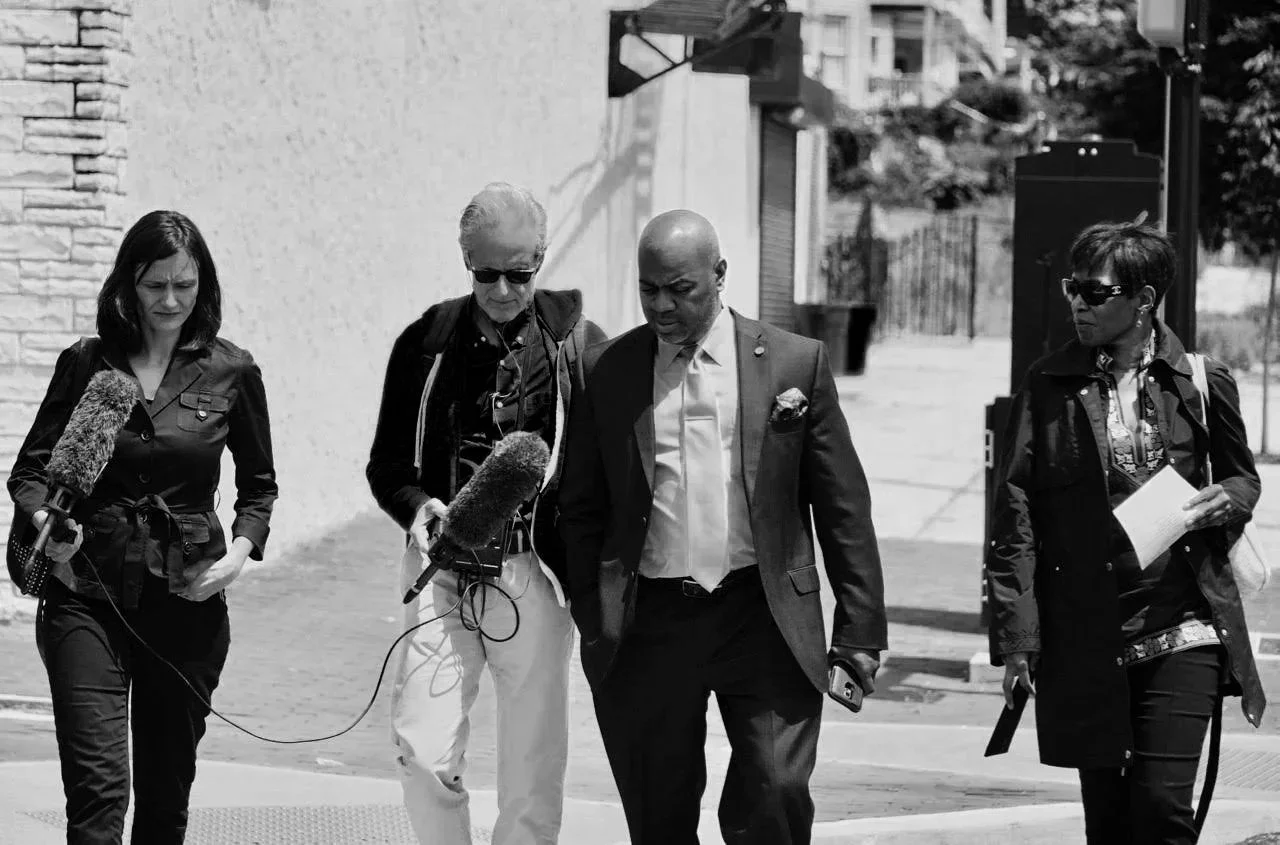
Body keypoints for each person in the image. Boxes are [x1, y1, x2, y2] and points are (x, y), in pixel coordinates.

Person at [558, 209, 887, 845]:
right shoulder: (608, 371)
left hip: (760, 615)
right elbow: (580, 506)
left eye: (680, 289)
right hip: (649, 622)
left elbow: (843, 503)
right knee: (659, 814)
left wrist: (860, 629)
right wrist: (592, 611)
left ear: (720, 276)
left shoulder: (794, 364)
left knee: (776, 794)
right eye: (648, 288)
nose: (661, 306)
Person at [986, 221, 1266, 845]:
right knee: (1109, 824)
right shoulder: (1049, 384)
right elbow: (1015, 514)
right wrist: (1017, 639)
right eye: (1072, 290)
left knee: (1163, 812)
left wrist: (1230, 500)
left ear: (1143, 301)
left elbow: (1244, 480)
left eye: (1094, 292)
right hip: (1085, 634)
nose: (1078, 305)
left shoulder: (1199, 379)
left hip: (1183, 622)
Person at [6, 209, 278, 844]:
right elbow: (31, 471)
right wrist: (48, 517)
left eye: (184, 285)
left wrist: (237, 555)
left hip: (187, 606)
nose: (170, 300)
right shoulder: (85, 363)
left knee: (163, 801)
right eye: (156, 285)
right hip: (85, 595)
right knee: (98, 796)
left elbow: (259, 487)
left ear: (202, 286)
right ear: (128, 284)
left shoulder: (230, 372)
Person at [366, 182, 606, 845]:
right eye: (485, 273)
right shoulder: (428, 340)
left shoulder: (577, 345)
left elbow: (619, 457)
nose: (501, 289)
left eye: (519, 274)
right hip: (442, 568)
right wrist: (417, 507)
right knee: (422, 746)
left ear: (542, 259)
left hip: (535, 569)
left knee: (533, 763)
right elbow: (387, 466)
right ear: (465, 260)